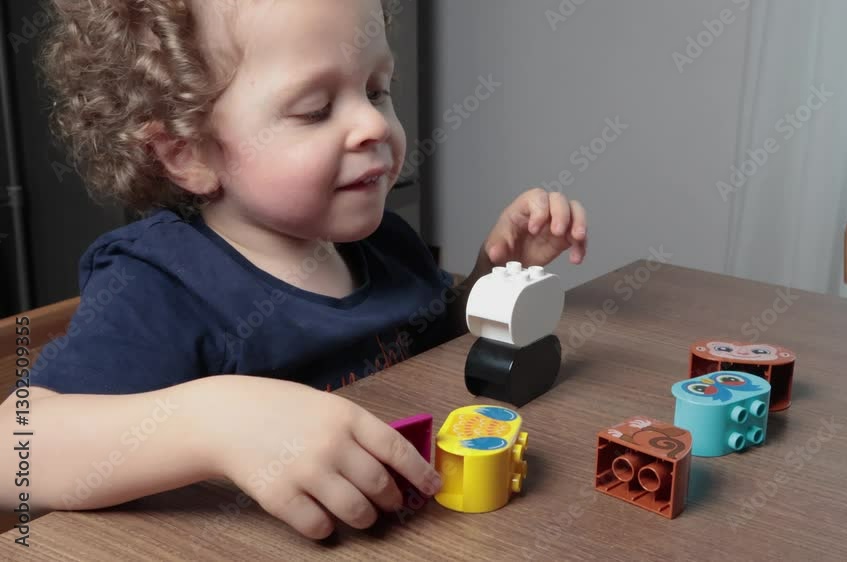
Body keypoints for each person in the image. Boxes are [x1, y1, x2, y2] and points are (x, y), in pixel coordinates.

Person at [0, 0, 588, 540]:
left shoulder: (383, 241)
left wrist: (495, 277)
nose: (376, 126)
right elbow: (13, 451)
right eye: (316, 109)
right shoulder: (159, 284)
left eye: (377, 88)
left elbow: (432, 346)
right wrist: (217, 422)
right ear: (189, 152)